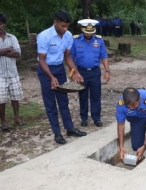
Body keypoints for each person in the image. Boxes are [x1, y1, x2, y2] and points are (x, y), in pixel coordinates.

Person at [37, 10, 87, 144]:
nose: (65, 29)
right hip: (45, 69)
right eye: (62, 26)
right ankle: (57, 133)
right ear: (55, 22)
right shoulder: (44, 36)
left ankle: (70, 128)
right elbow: (41, 60)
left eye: (67, 26)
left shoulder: (68, 35)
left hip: (59, 68)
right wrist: (51, 77)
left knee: (63, 101)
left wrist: (75, 71)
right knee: (50, 103)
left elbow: (67, 56)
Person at [71, 19, 110, 127]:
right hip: (81, 72)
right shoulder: (76, 40)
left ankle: (96, 118)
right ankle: (84, 118)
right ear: (82, 30)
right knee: (82, 95)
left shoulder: (99, 40)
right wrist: (73, 73)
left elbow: (104, 56)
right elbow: (70, 58)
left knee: (96, 96)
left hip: (95, 72)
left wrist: (107, 71)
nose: (89, 35)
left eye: (91, 32)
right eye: (87, 32)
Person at [0, 13, 26, 132]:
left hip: (13, 73)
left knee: (15, 97)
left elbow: (18, 54)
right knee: (1, 99)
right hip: (0, 74)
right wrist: (8, 49)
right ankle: (3, 121)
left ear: (4, 24)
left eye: (0, 23)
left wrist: (1, 52)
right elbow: (13, 52)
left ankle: (17, 117)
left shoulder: (12, 37)